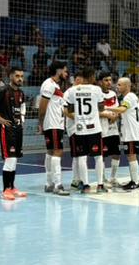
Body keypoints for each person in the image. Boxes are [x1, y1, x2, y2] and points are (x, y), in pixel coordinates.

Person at [0, 69, 28, 200]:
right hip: (7, 128)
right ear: (10, 76)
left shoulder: (21, 92)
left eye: (21, 76)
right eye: (17, 76)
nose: (20, 78)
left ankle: (12, 187)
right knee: (10, 159)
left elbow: (23, 106)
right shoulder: (3, 90)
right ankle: (5, 190)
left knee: (14, 159)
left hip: (17, 128)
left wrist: (22, 119)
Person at [63, 69, 106, 194]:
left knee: (81, 157)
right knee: (98, 157)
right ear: (92, 76)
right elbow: (101, 107)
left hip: (80, 128)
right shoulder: (96, 89)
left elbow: (69, 110)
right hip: (94, 128)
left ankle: (86, 186)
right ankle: (100, 185)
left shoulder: (72, 91)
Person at [38, 61, 71, 195]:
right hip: (53, 124)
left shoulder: (55, 85)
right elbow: (42, 106)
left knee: (51, 151)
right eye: (65, 71)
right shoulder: (49, 84)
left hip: (55, 123)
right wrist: (41, 123)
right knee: (57, 151)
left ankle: (49, 183)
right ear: (58, 71)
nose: (66, 73)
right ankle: (57, 184)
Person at [115, 76, 139, 189]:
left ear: (127, 86)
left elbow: (122, 109)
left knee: (132, 156)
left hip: (132, 132)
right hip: (131, 131)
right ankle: (133, 180)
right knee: (130, 156)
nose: (117, 87)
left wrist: (107, 108)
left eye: (119, 85)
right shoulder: (131, 97)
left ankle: (135, 182)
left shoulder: (129, 97)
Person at [99, 72, 125, 187]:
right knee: (102, 156)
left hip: (114, 130)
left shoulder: (113, 94)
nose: (109, 82)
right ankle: (103, 178)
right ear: (100, 82)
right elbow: (96, 111)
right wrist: (109, 116)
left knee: (116, 153)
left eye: (110, 80)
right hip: (102, 130)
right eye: (106, 80)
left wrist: (116, 116)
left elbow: (117, 108)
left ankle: (113, 178)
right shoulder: (97, 94)